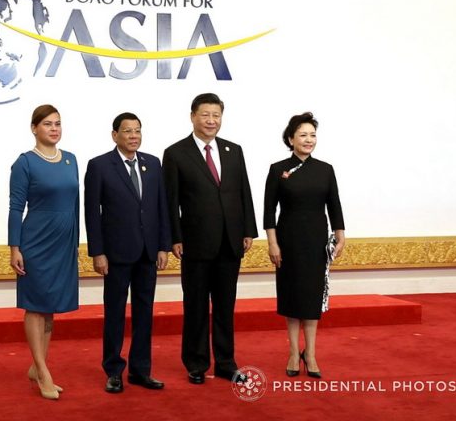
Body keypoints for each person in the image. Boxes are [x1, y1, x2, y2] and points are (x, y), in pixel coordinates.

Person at [162, 93, 258, 384]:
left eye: (216, 115)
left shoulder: (233, 150)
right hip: (195, 242)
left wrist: (247, 230)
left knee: (225, 306)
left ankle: (226, 362)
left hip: (230, 241)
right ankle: (196, 363)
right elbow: (170, 201)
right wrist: (174, 238)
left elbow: (244, 192)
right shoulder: (176, 153)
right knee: (196, 305)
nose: (211, 120)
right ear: (193, 116)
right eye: (206, 115)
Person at [84, 112, 171, 394]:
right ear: (115, 135)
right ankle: (113, 370)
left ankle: (140, 370)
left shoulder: (153, 164)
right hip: (116, 253)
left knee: (145, 313)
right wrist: (97, 252)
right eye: (127, 131)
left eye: (137, 131)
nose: (133, 136)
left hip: (148, 252)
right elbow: (92, 214)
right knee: (115, 313)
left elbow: (161, 208)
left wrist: (163, 246)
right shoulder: (99, 166)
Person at [263, 112, 345, 379]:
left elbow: (334, 206)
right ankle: (291, 352)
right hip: (287, 242)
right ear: (291, 139)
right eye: (303, 135)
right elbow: (268, 212)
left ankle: (310, 353)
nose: (309, 140)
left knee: (311, 298)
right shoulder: (279, 169)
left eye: (312, 135)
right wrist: (272, 244)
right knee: (291, 297)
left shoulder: (325, 169)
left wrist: (340, 234)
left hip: (316, 242)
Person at [8, 104, 79, 400]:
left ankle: (38, 366)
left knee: (50, 307)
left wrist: (75, 243)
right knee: (36, 305)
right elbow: (15, 208)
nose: (54, 129)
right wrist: (15, 248)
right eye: (48, 124)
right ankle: (43, 371)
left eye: (58, 124)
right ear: (34, 128)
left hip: (63, 245)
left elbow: (76, 205)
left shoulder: (71, 160)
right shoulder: (24, 163)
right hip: (35, 243)